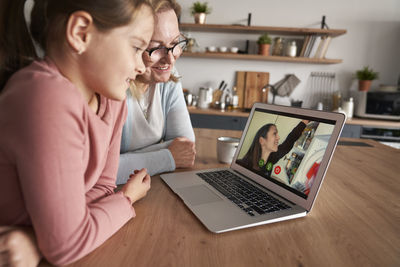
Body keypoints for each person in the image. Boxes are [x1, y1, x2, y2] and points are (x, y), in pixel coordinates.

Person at [0, 0, 154, 265]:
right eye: (137, 47)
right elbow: (67, 245)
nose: (143, 66)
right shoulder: (46, 96)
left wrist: (37, 240)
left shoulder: (114, 102)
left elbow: (103, 186)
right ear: (81, 32)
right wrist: (126, 199)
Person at [117, 0, 195, 184]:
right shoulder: (114, 86)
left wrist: (127, 160)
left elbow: (186, 148)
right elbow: (103, 170)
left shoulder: (169, 78)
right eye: (156, 47)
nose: (170, 58)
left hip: (151, 186)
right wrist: (167, 157)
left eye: (175, 43)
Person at [237, 120, 309, 177]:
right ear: (262, 140)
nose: (278, 137)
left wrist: (304, 122)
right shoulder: (241, 165)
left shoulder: (272, 157)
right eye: (274, 134)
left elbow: (289, 141)